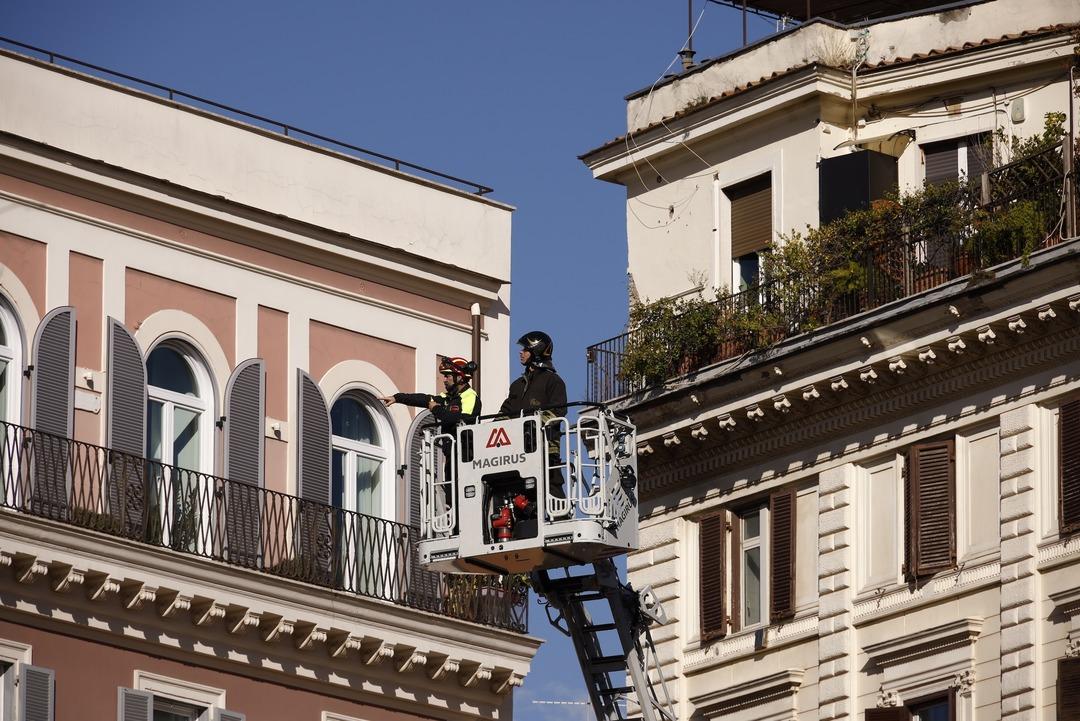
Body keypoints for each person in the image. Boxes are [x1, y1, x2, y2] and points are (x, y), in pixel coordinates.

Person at [382, 356, 480, 508]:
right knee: (451, 499)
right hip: (451, 457)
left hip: (466, 458)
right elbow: (424, 399)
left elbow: (459, 420)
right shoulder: (447, 398)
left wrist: (436, 409)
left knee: (462, 500)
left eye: (447, 376)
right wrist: (397, 398)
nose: (444, 379)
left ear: (460, 378)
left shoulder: (470, 397)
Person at [499, 331, 567, 499]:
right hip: (515, 454)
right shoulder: (516, 385)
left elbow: (557, 412)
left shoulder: (553, 381)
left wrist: (530, 425)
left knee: (553, 495)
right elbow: (505, 413)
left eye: (526, 349)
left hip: (545, 451)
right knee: (516, 498)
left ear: (537, 352)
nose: (521, 352)